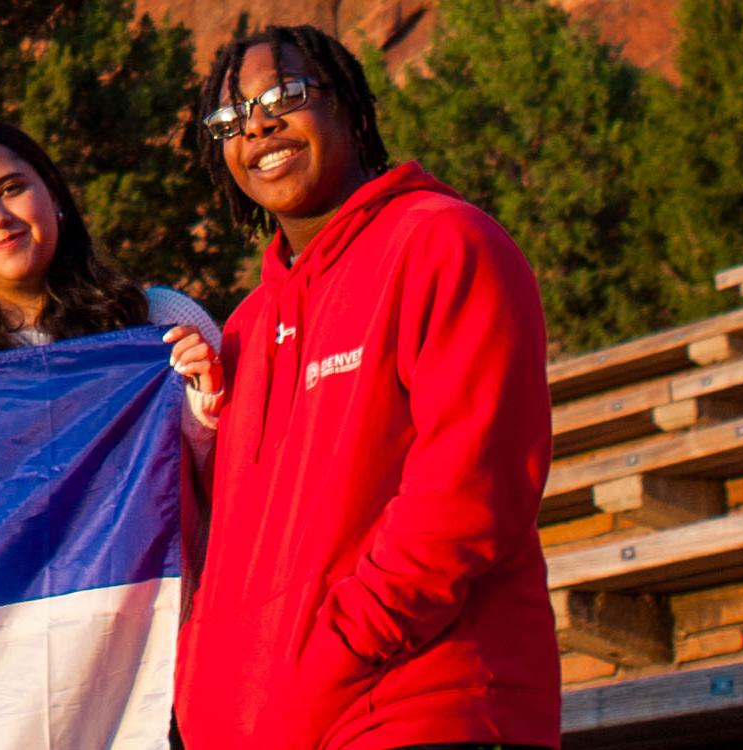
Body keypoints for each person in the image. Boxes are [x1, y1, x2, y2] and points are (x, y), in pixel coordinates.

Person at [166, 25, 559, 749]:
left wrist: (334, 652)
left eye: (286, 94)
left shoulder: (443, 242)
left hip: (419, 711)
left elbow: (470, 490)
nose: (259, 125)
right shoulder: (245, 330)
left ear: (348, 105)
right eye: (231, 118)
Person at [0, 118, 220, 376]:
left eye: (11, 189)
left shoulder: (162, 321)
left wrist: (203, 405)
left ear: (53, 192)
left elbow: (236, 459)